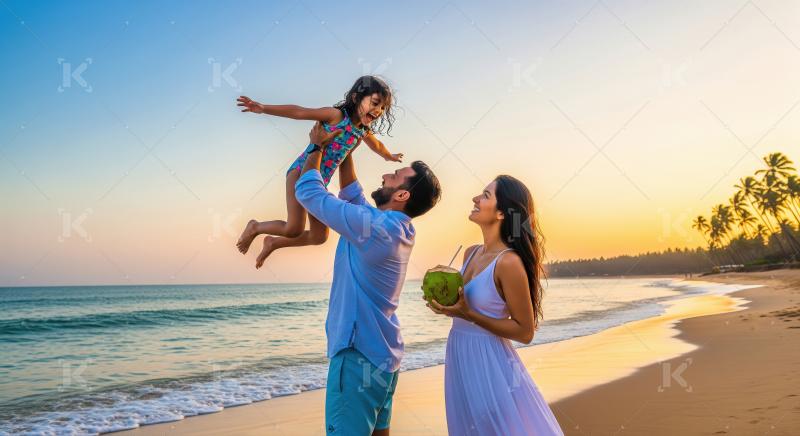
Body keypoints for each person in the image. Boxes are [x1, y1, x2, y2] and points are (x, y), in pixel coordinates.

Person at [297, 122, 441, 434]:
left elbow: (307, 191)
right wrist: (345, 145)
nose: (386, 175)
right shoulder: (395, 226)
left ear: (401, 193)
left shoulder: (374, 227)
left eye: (395, 175)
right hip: (384, 359)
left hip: (357, 358)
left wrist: (316, 147)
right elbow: (352, 194)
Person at [426, 175, 563, 435]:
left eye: (485, 195)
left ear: (501, 213)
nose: (475, 199)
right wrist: (444, 304)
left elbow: (525, 332)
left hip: (490, 362)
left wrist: (469, 314)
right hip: (459, 354)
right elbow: (463, 308)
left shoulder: (508, 263)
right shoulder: (471, 252)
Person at [235, 75, 404, 268]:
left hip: (318, 181)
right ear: (357, 98)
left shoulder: (362, 131)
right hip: (300, 172)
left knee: (319, 236)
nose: (378, 111)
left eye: (382, 108)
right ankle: (255, 227)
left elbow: (377, 145)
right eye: (375, 103)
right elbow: (300, 112)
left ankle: (273, 242)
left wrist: (388, 156)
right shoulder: (336, 116)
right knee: (293, 229)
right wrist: (264, 108)